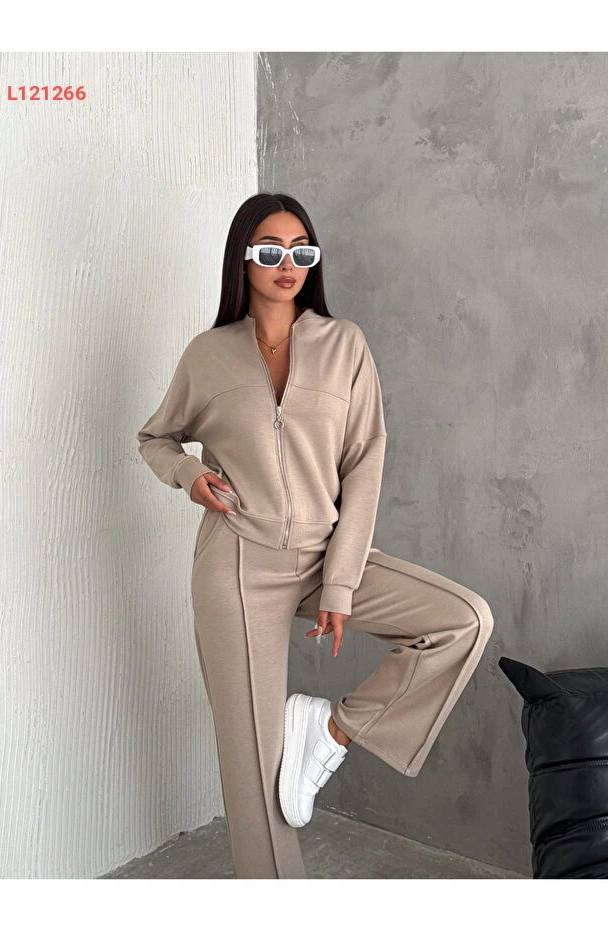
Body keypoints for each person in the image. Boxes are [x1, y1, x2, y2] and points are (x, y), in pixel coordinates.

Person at [136, 192, 495, 879]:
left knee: (462, 621)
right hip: (237, 563)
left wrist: (340, 582)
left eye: (301, 250)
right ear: (244, 259)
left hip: (325, 553)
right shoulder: (208, 355)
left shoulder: (344, 345)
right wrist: (188, 474)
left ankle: (328, 730)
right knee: (254, 774)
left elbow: (364, 461)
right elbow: (154, 437)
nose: (287, 264)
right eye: (270, 250)